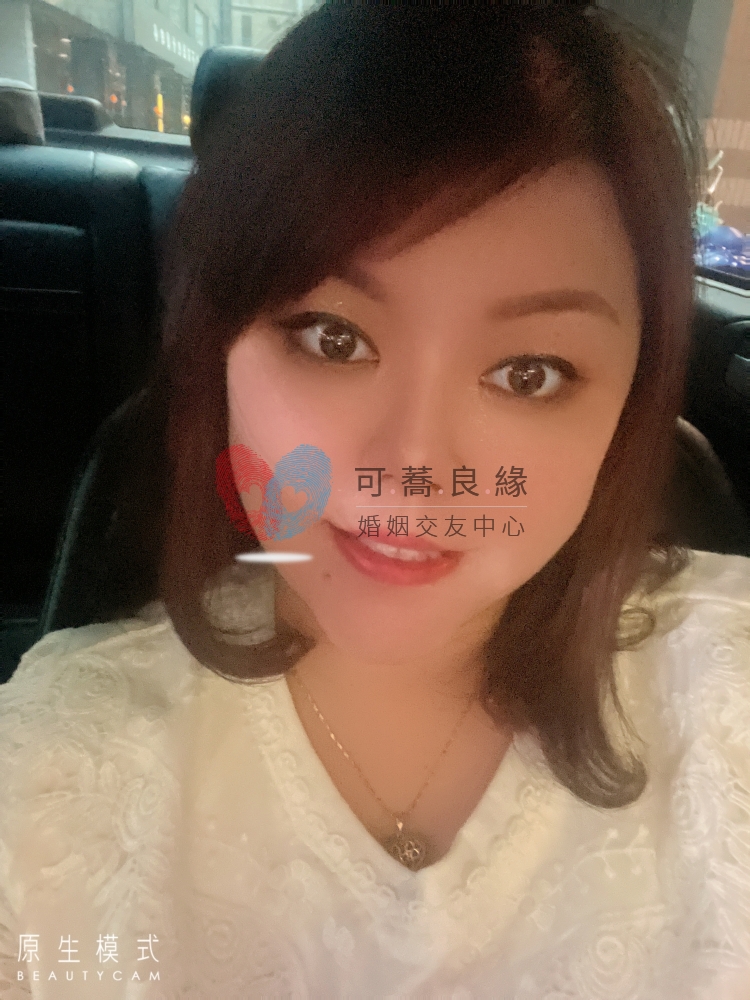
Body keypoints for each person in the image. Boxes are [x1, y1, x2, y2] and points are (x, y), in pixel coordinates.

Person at [1, 3, 749, 997]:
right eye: (333, 338)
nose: (412, 463)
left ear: (627, 407)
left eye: (528, 372)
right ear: (218, 347)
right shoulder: (51, 770)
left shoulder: (727, 690)